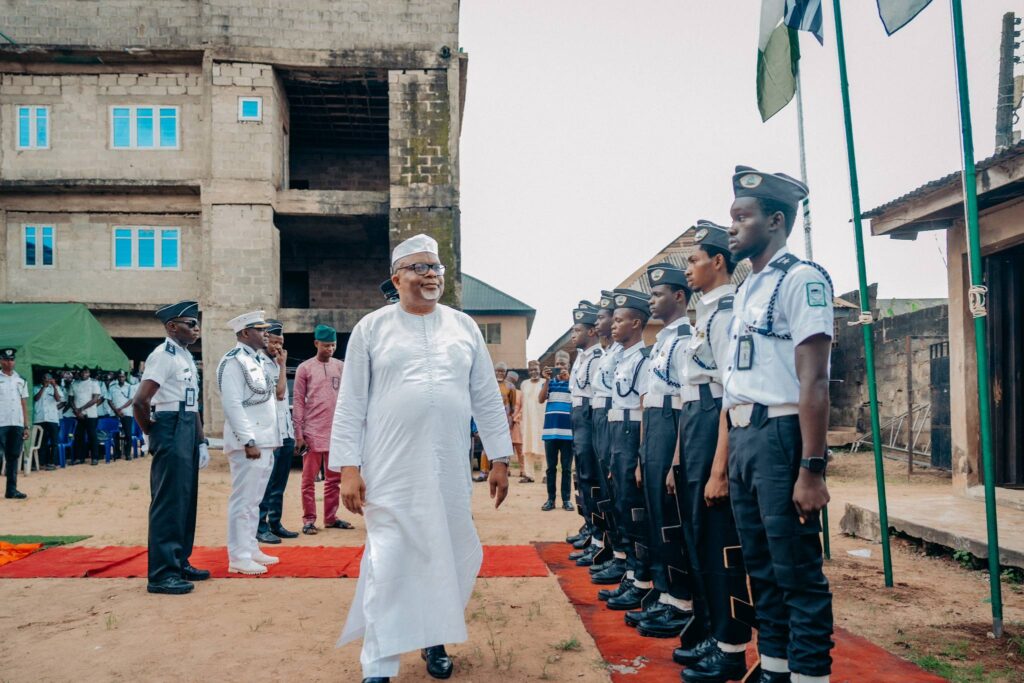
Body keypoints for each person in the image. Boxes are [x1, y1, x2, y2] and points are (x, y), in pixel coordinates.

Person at [329, 233, 512, 683]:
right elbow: (351, 402)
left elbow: (486, 397)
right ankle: (378, 661)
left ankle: (434, 638)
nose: (431, 275)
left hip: (448, 468)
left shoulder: (463, 327)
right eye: (420, 267)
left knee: (445, 552)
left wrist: (500, 458)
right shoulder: (372, 328)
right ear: (397, 278)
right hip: (389, 467)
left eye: (436, 267)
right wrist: (349, 468)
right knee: (387, 558)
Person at [723, 166, 834, 683]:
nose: (732, 227)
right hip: (745, 437)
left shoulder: (801, 279)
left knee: (796, 574)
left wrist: (812, 468)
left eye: (742, 216)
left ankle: (809, 676)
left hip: (782, 436)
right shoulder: (748, 287)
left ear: (775, 221)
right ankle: (774, 669)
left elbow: (815, 380)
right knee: (761, 569)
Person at [675, 220, 752, 681]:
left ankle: (731, 647)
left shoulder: (726, 315)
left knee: (719, 537)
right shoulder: (705, 315)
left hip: (713, 421)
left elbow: (728, 394)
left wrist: (719, 467)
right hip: (694, 420)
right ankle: (711, 631)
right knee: (698, 536)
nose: (688, 268)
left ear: (718, 262)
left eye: (694, 259)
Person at [133, 301, 210, 595]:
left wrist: (201, 439)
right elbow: (140, 401)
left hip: (187, 425)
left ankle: (179, 561)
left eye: (196, 323)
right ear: (172, 327)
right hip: (170, 425)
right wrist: (151, 432)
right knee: (168, 501)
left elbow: (192, 403)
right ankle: (162, 574)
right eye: (190, 323)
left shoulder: (185, 356)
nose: (196, 328)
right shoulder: (162, 356)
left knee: (185, 498)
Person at [217, 310, 282, 575]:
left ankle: (250, 547)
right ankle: (238, 556)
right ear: (245, 333)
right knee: (243, 501)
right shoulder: (233, 361)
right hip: (249, 443)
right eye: (260, 329)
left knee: (254, 501)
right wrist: (248, 440)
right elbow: (232, 404)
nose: (266, 333)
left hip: (265, 440)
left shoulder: (257, 359)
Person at [601, 288, 653, 612]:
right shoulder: (622, 358)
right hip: (616, 431)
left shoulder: (644, 359)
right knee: (621, 505)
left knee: (634, 509)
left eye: (620, 320)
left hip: (632, 433)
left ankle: (642, 580)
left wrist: (640, 456)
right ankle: (631, 574)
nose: (613, 325)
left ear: (636, 323)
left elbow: (645, 408)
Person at [293, 324, 352, 535]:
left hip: (336, 433)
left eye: (333, 345)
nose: (330, 349)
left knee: (334, 480)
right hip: (312, 432)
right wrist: (299, 433)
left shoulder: (341, 367)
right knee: (308, 480)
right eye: (326, 345)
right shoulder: (305, 368)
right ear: (316, 343)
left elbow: (348, 399)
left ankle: (330, 518)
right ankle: (309, 520)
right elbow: (298, 400)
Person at [566, 302, 603, 560]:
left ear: (591, 331)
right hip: (577, 413)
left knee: (591, 475)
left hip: (589, 415)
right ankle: (588, 525)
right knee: (581, 475)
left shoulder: (598, 357)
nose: (573, 335)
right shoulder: (581, 357)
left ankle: (597, 533)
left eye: (577, 330)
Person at [257, 320, 299, 544]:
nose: (278, 347)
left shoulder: (275, 362)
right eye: (274, 342)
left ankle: (275, 522)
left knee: (280, 483)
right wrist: (283, 367)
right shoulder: (261, 364)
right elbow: (280, 394)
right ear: (265, 340)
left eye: (281, 343)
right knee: (267, 482)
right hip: (270, 433)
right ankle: (260, 525)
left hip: (285, 430)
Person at [539, 350, 573, 511]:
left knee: (566, 468)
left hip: (568, 433)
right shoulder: (550, 382)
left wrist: (569, 380)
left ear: (568, 366)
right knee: (550, 468)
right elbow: (540, 399)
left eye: (563, 364)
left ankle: (566, 500)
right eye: (557, 364)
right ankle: (550, 500)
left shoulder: (573, 383)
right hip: (550, 432)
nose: (559, 367)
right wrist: (546, 381)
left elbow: (577, 396)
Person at [476, 361, 515, 482]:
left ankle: (503, 471)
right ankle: (484, 472)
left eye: (502, 371)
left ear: (506, 373)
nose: (500, 373)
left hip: (504, 421)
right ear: (493, 371)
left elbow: (512, 406)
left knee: (504, 447)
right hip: (490, 420)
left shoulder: (510, 386)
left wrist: (510, 421)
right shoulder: (488, 385)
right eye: (497, 371)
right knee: (486, 446)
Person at [0, 348, 29, 499]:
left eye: (12, 360)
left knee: (13, 457)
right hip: (1, 423)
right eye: (6, 359)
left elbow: (23, 403)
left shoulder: (21, 380)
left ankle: (11, 490)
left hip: (16, 423)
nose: (9, 362)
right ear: (1, 361)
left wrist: (26, 426)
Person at [518, 361, 545, 483]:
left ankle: (546, 474)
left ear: (540, 369)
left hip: (541, 419)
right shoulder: (524, 384)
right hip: (528, 420)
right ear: (528, 371)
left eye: (535, 369)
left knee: (544, 446)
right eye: (531, 370)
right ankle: (529, 475)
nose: (534, 372)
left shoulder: (545, 382)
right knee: (527, 446)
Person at [70, 368, 102, 465]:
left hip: (91, 414)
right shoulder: (74, 384)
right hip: (78, 415)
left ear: (89, 373)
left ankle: (94, 458)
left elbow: (95, 399)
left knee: (92, 436)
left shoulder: (94, 383)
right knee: (78, 437)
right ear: (80, 373)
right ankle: (80, 458)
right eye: (82, 372)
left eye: (86, 372)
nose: (84, 373)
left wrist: (81, 409)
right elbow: (70, 399)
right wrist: (76, 411)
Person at [33, 372, 63, 471]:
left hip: (52, 418)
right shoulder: (36, 387)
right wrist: (43, 387)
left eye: (49, 378)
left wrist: (54, 387)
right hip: (39, 418)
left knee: (54, 442)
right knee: (41, 442)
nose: (47, 380)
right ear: (42, 379)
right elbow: (36, 398)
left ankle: (52, 462)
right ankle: (41, 462)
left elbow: (58, 399)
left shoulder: (56, 387)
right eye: (45, 378)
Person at [108, 371, 137, 460]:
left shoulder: (130, 387)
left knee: (128, 434)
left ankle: (127, 454)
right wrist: (116, 410)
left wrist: (120, 409)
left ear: (125, 377)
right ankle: (117, 453)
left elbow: (131, 400)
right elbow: (109, 400)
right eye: (120, 376)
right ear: (117, 377)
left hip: (126, 413)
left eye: (123, 377)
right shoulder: (112, 387)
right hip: (114, 414)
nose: (121, 378)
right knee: (115, 434)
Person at [506, 370, 524, 474]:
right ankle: (506, 469)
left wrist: (515, 419)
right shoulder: (502, 391)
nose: (509, 381)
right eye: (508, 379)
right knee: (506, 448)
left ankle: (523, 470)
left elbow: (523, 408)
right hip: (505, 424)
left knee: (519, 448)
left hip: (516, 423)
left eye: (512, 380)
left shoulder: (520, 393)